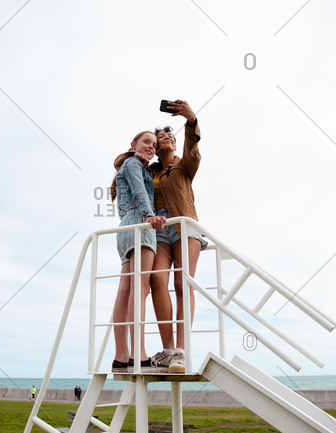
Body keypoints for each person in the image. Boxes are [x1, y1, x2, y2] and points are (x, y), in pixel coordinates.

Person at [148, 100, 206, 374]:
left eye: (171, 135)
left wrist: (190, 117)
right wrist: (139, 147)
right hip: (159, 228)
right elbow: (122, 165)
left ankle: (181, 351)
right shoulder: (150, 171)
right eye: (162, 137)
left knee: (183, 284)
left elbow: (193, 148)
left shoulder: (185, 165)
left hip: (183, 225)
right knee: (158, 279)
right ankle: (168, 349)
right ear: (155, 147)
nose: (168, 138)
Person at [110, 131, 165, 372]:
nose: (151, 147)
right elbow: (140, 191)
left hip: (125, 228)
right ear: (133, 145)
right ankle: (138, 353)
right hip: (140, 225)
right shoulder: (133, 163)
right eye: (146, 142)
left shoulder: (131, 164)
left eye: (154, 145)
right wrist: (149, 215)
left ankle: (121, 355)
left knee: (125, 289)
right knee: (140, 288)